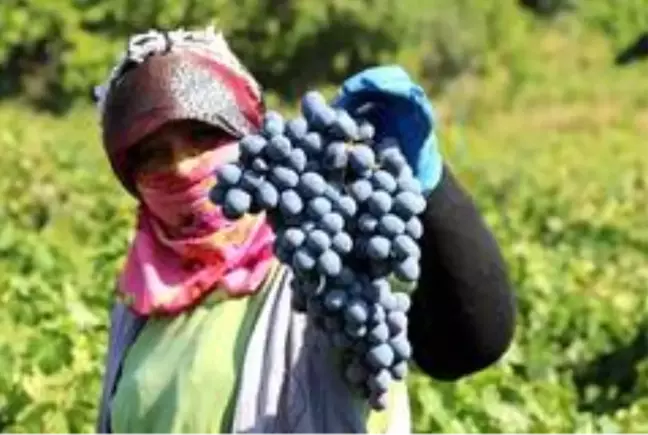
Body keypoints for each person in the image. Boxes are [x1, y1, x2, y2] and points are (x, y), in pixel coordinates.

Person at [94, 26, 516, 435]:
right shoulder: (139, 301)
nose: (182, 165)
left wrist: (431, 185)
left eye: (203, 135)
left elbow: (467, 345)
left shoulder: (322, 257)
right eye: (152, 155)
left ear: (250, 136)